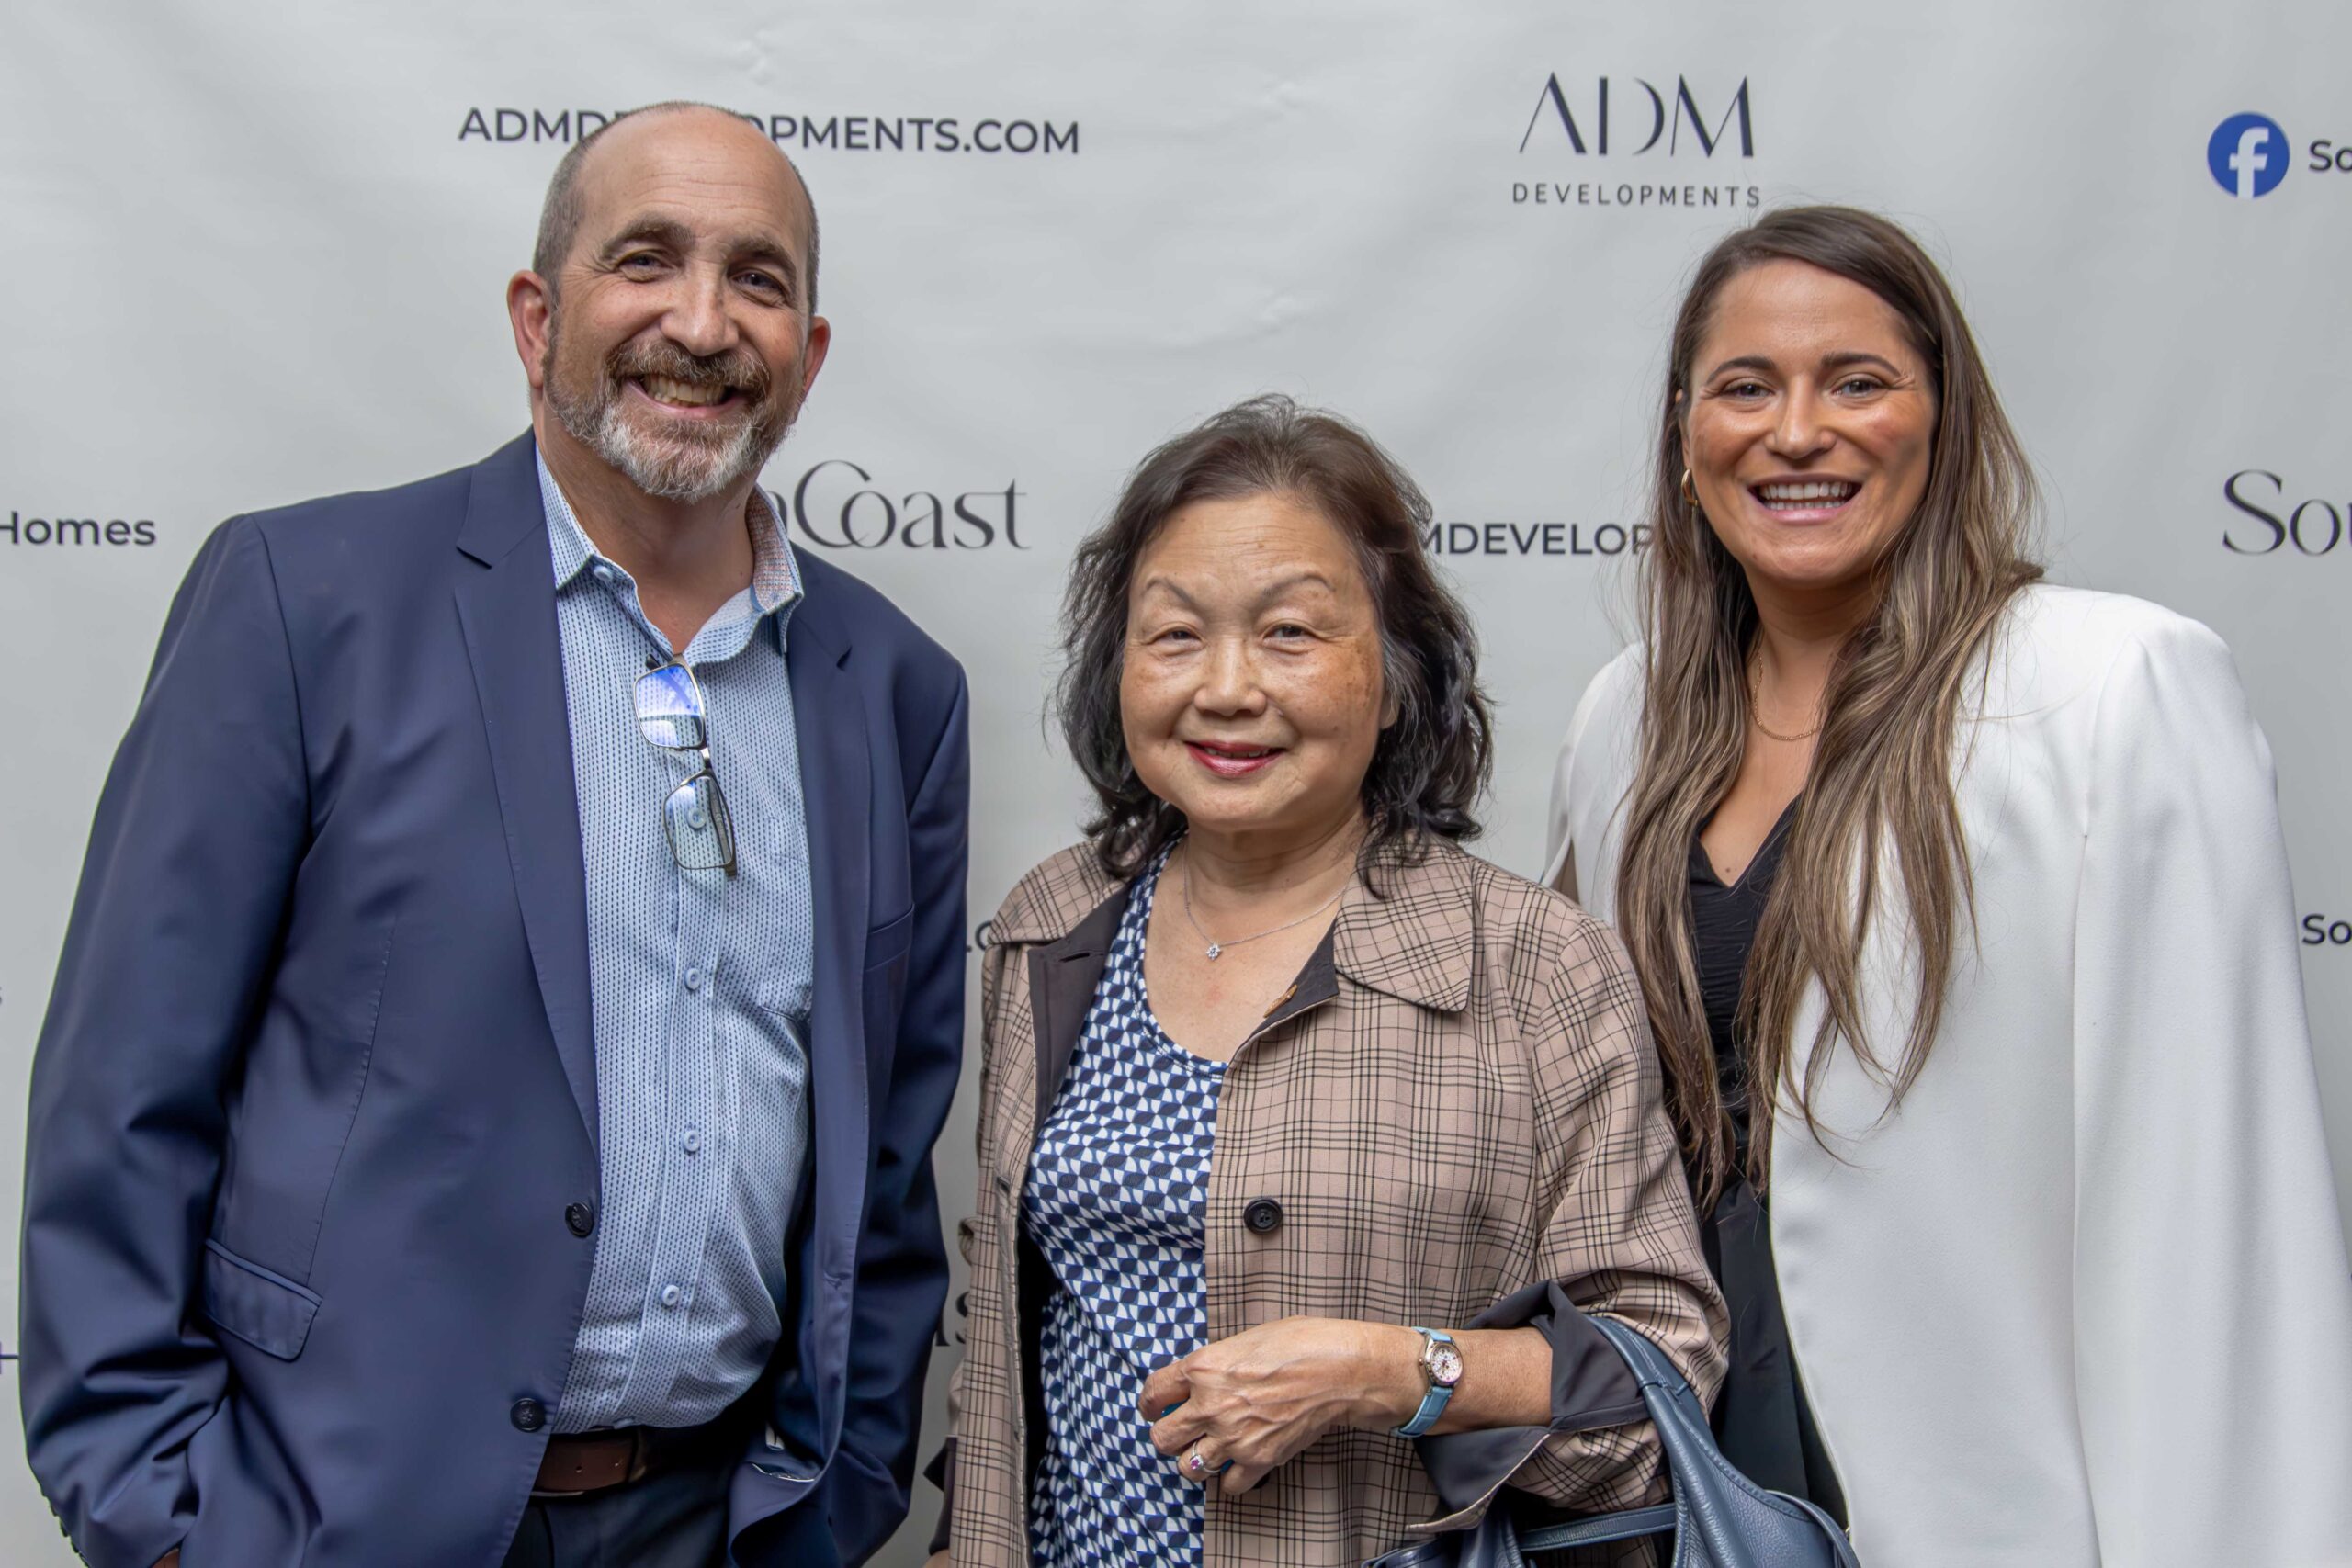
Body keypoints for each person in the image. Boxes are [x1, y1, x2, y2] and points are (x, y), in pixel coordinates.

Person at [18, 102, 968, 1568]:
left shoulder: (892, 689)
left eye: (757, 279)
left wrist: (834, 1497)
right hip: (333, 1518)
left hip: (715, 1522)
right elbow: (126, 1094)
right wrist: (160, 1518)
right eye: (645, 260)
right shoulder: (304, 601)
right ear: (538, 319)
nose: (701, 322)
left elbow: (887, 1160)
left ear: (810, 351)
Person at [1545, 205, 2352, 1565]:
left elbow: (2207, 1213)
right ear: (1685, 435)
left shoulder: (2110, 687)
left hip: (1971, 1494)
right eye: (1746, 387)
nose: (1798, 431)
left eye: (1856, 381)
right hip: (1676, 1478)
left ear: (1942, 418)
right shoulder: (1626, 719)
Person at [933, 396, 1724, 1568]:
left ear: (1396, 677)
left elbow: (1658, 1376)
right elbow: (1008, 1324)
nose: (1226, 687)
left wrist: (1388, 1373)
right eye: (1175, 634)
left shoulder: (1535, 965)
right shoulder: (1055, 923)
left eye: (1290, 633)